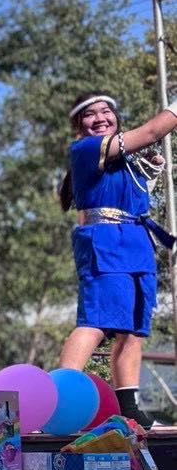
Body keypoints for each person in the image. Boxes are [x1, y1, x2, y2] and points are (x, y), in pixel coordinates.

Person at [56, 92, 177, 428]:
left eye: (106, 111)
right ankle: (60, 400)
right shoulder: (86, 149)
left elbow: (133, 193)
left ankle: (128, 407)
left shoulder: (126, 162)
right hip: (105, 241)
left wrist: (149, 173)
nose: (100, 118)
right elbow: (153, 131)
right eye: (90, 114)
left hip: (136, 242)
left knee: (133, 330)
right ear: (79, 125)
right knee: (96, 321)